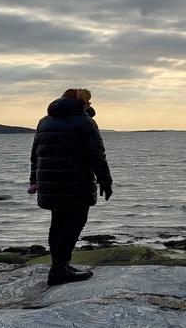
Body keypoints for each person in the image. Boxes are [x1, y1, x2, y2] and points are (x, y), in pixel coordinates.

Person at [29, 88, 113, 286]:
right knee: (73, 223)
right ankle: (59, 270)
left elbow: (35, 155)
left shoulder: (45, 121)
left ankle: (60, 265)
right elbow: (96, 155)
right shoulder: (85, 122)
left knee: (58, 223)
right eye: (89, 102)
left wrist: (34, 180)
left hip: (50, 182)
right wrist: (105, 181)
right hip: (76, 183)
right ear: (83, 102)